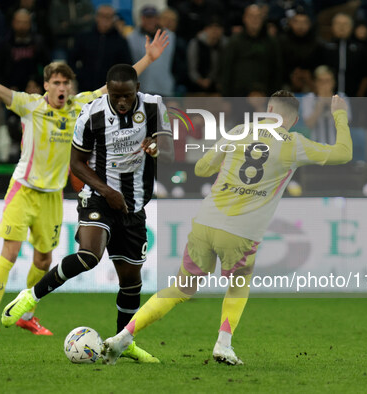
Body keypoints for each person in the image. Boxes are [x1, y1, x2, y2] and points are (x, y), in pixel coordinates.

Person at [0, 29, 168, 338]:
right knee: (11, 252)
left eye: (65, 82)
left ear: (71, 87)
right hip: (24, 188)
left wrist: (148, 59)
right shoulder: (29, 105)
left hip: (53, 195)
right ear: (46, 85)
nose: (61, 87)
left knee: (44, 259)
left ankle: (27, 315)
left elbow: (118, 86)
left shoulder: (82, 106)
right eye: (55, 82)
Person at [100, 91, 353, 365]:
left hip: (206, 222)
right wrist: (340, 114)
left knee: (179, 289)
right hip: (242, 231)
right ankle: (223, 344)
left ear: (268, 109)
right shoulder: (294, 143)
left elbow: (201, 168)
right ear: (293, 120)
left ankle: (124, 336)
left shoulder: (240, 131)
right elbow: (344, 153)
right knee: (238, 283)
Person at [0, 64, 174, 363]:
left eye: (127, 96)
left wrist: (158, 146)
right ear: (107, 88)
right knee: (89, 256)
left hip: (134, 204)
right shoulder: (91, 114)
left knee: (131, 280)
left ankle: (124, 342)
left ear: (137, 89)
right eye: (116, 96)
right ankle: (32, 295)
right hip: (98, 196)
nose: (122, 102)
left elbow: (169, 144)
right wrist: (107, 192)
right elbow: (77, 163)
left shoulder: (154, 106)